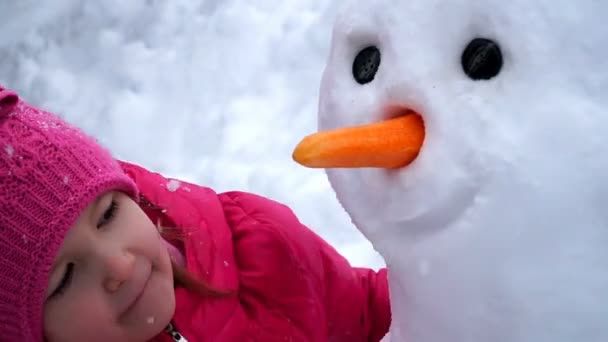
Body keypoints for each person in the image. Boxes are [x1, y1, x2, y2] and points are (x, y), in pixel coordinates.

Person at [0, 84, 391, 342]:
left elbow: (368, 314)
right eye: (65, 277)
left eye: (107, 214)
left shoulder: (256, 243)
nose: (119, 266)